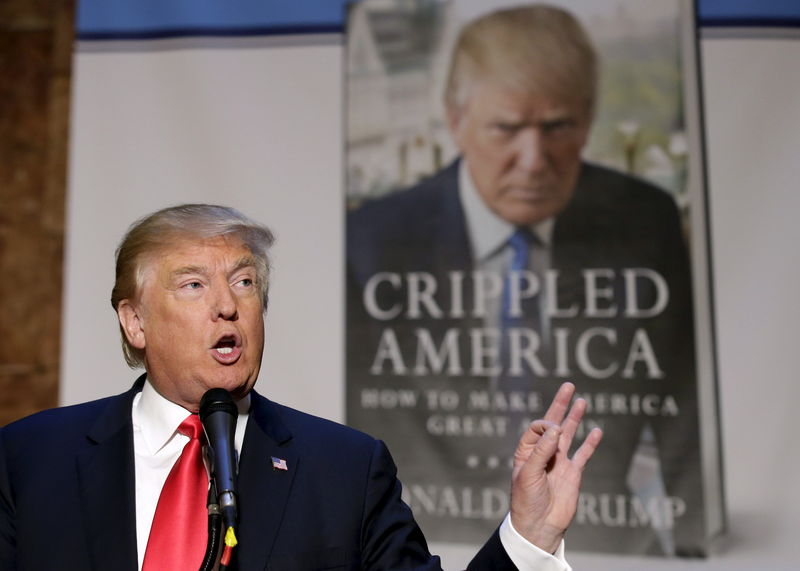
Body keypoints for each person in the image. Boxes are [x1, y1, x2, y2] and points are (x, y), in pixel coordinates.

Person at [0, 204, 601, 570]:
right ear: (134, 321)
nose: (227, 306)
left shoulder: (344, 469)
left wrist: (530, 536)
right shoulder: (30, 459)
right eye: (192, 285)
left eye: (243, 282)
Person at [347, 4, 703, 556]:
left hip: (602, 543)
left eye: (557, 126)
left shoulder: (645, 220)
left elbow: (680, 415)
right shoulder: (375, 238)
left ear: (587, 119)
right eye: (507, 128)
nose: (533, 159)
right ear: (455, 118)